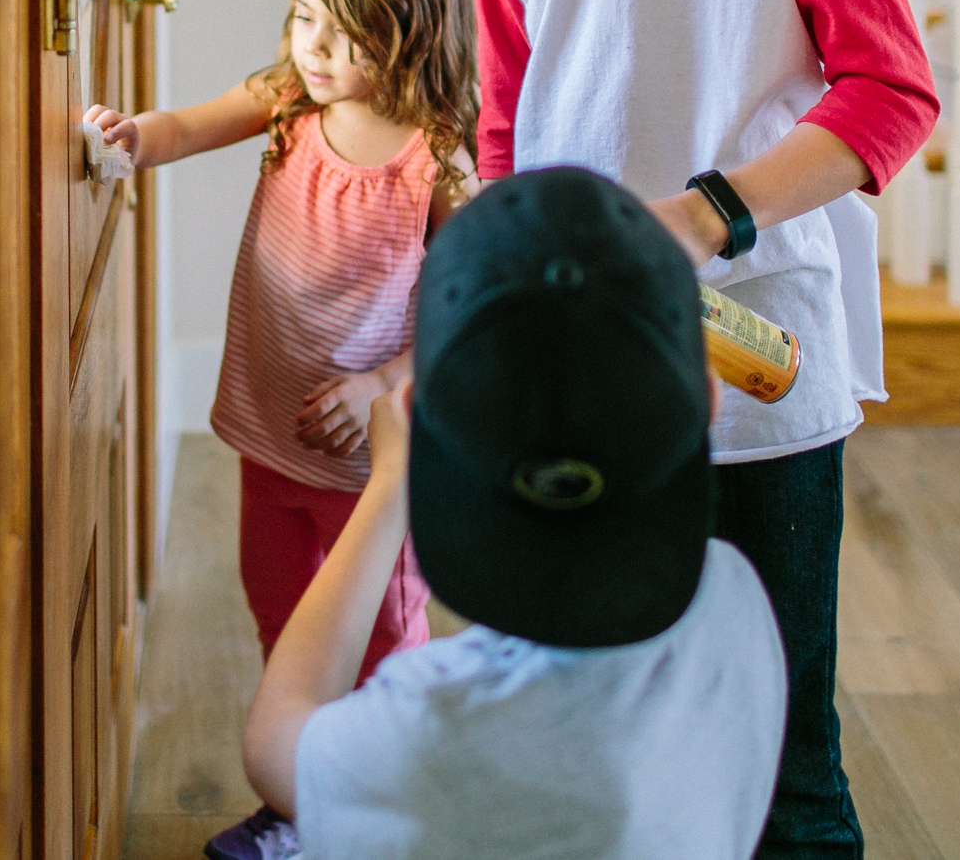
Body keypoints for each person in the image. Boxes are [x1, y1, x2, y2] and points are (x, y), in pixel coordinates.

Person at [381, 0, 941, 855]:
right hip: (577, 342)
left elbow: (890, 93)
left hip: (750, 337)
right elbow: (514, 111)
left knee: (784, 745)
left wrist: (701, 214)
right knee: (591, 706)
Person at [243, 166, 788, 860]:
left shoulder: (420, 728)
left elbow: (275, 742)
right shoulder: (734, 598)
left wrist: (387, 489)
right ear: (706, 403)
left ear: (417, 415)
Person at [85, 0, 479, 860]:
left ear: (412, 35)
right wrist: (130, 135)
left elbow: (466, 312)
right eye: (305, 17)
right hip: (273, 431)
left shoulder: (438, 165)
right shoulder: (289, 100)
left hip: (371, 470)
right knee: (285, 617)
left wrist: (382, 377)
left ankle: (393, 811)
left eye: (344, 33)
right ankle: (304, 800)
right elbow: (185, 127)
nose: (315, 46)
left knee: (383, 642)